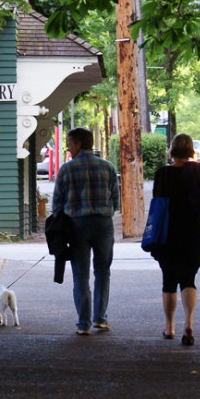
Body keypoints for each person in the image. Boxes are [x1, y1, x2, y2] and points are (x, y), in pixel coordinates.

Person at [52, 127, 120, 335]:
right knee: (102, 271)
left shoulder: (66, 169)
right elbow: (115, 202)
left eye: (70, 143)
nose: (68, 147)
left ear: (79, 144)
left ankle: (83, 324)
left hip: (76, 226)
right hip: (103, 224)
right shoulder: (108, 168)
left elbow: (57, 204)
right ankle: (100, 318)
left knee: (80, 275)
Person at [150, 133, 200, 345]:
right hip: (193, 232)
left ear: (172, 150)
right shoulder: (199, 171)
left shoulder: (162, 174)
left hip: (168, 233)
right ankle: (189, 324)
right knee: (189, 279)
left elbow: (157, 203)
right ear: (190, 151)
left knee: (168, 280)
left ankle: (169, 327)